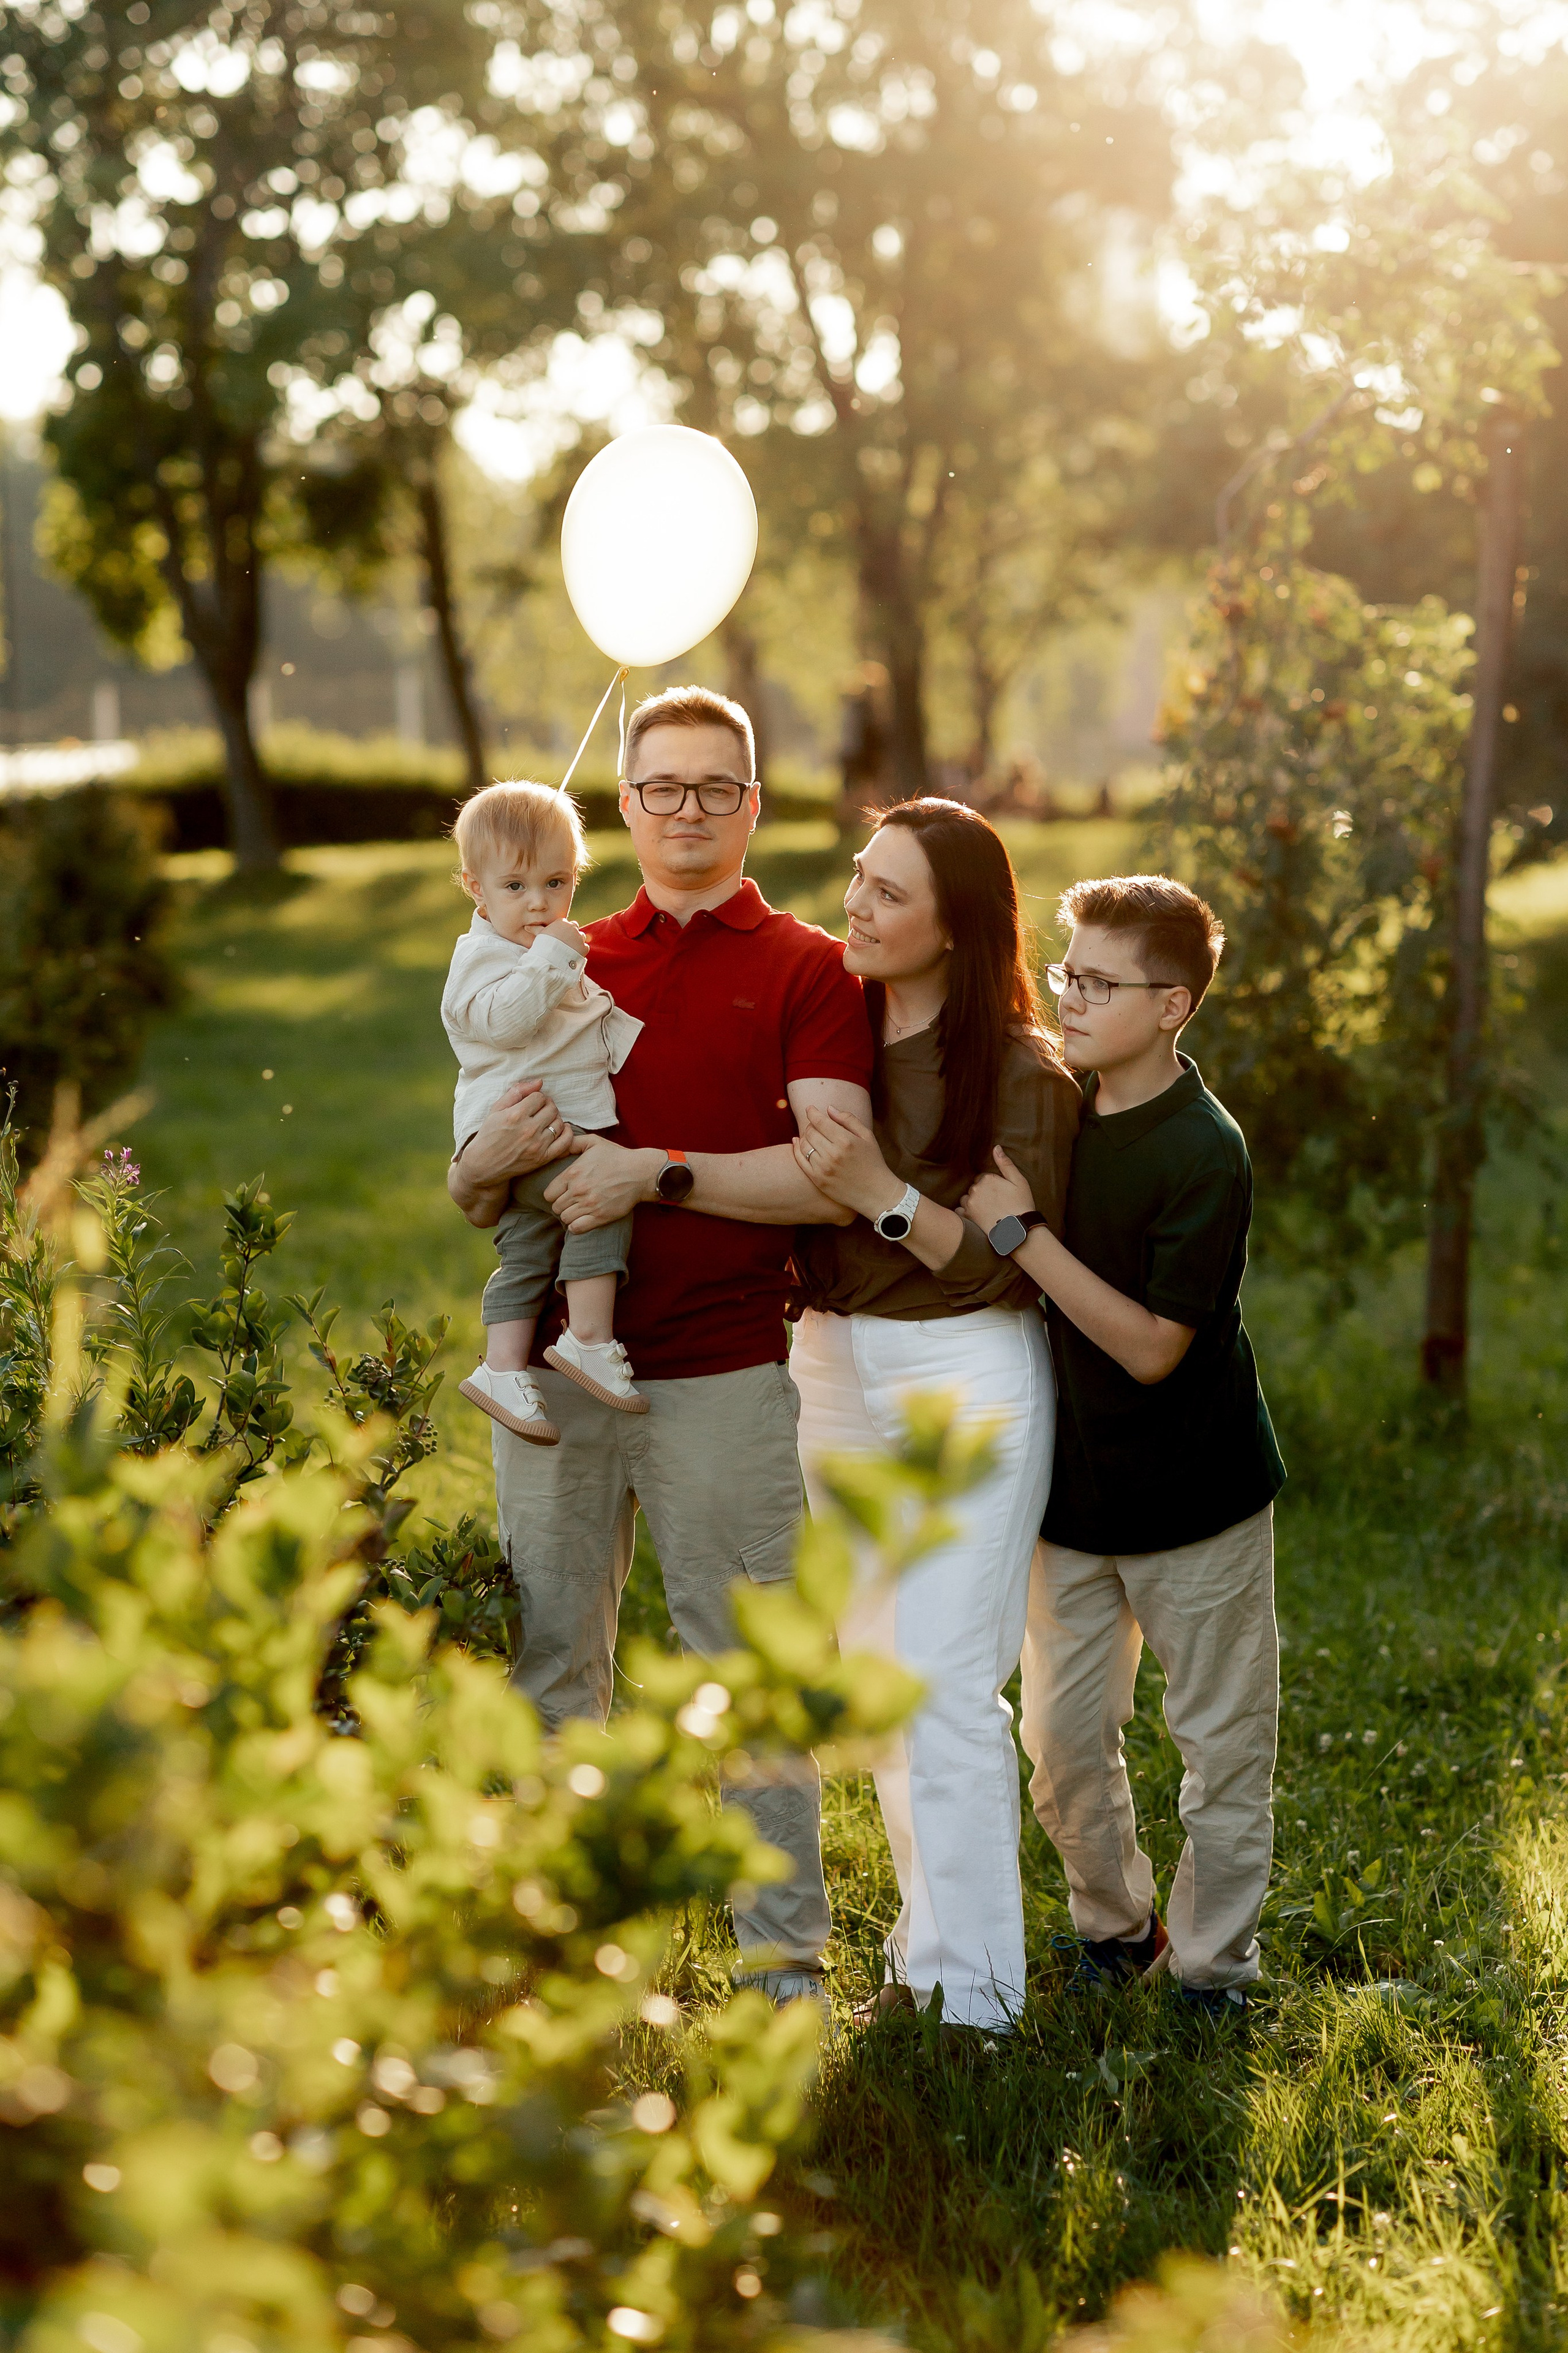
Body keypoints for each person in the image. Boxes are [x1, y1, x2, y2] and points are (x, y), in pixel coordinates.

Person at [447, 685, 873, 2009]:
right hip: (559, 1391)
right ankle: (566, 1954)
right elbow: (473, 1185)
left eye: (714, 788)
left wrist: (651, 1174)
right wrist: (483, 1164)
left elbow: (827, 1179)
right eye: (660, 788)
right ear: (622, 806)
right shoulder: (552, 946)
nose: (685, 811)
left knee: (744, 1672)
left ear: (753, 804)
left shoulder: (807, 967)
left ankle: (779, 1966)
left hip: (724, 1370)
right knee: (554, 1663)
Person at [961, 874, 1286, 2017]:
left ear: (1173, 1007)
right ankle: (1115, 1929)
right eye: (1069, 977)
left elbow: (1154, 1347)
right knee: (1060, 1740)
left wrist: (1022, 1237)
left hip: (1198, 1498)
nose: (1074, 1001)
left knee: (1222, 1750)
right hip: (1072, 1493)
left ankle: (1212, 1972)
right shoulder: (1050, 1114)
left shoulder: (1204, 1149)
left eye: (1102, 984)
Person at [783, 799, 1080, 2036]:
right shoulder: (827, 1028)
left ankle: (978, 2003)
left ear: (956, 930)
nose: (855, 903)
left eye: (888, 892)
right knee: (875, 1675)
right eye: (857, 876)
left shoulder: (1018, 1068)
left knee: (950, 1683)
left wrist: (878, 1196)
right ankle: (924, 1950)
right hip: (831, 1364)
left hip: (966, 1370)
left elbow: (1005, 1266)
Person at [443, 780, 647, 1443]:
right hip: (528, 1131)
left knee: (528, 1249)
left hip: (540, 1128)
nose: (539, 903)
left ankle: (501, 1366)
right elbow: (506, 1022)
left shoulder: (538, 951)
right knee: (596, 1202)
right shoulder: (483, 959)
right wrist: (556, 957)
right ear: (474, 887)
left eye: (556, 882)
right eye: (515, 887)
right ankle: (587, 1336)